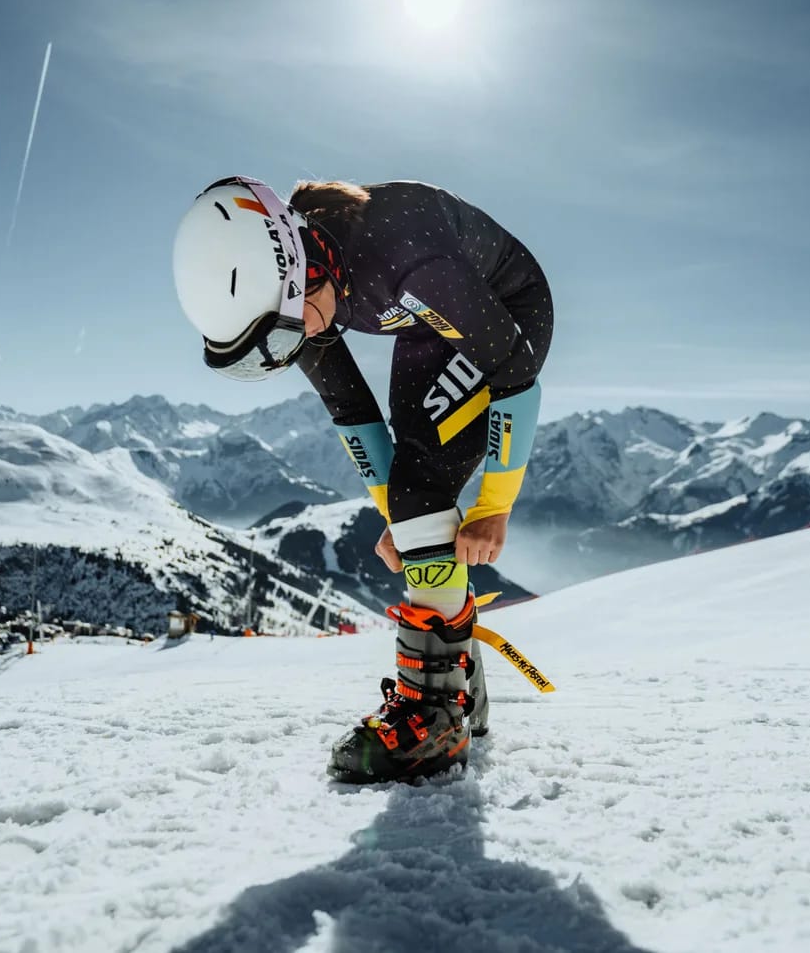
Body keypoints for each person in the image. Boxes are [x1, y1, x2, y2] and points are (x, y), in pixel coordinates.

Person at [172, 176, 553, 783]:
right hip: (425, 322)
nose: (287, 350)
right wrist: (397, 523)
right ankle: (460, 696)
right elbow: (352, 414)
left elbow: (514, 372)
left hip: (502, 316)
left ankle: (437, 715)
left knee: (421, 487)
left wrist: (494, 506)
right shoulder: (299, 292)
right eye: (263, 351)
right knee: (411, 496)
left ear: (304, 272)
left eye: (277, 335)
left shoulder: (404, 257)